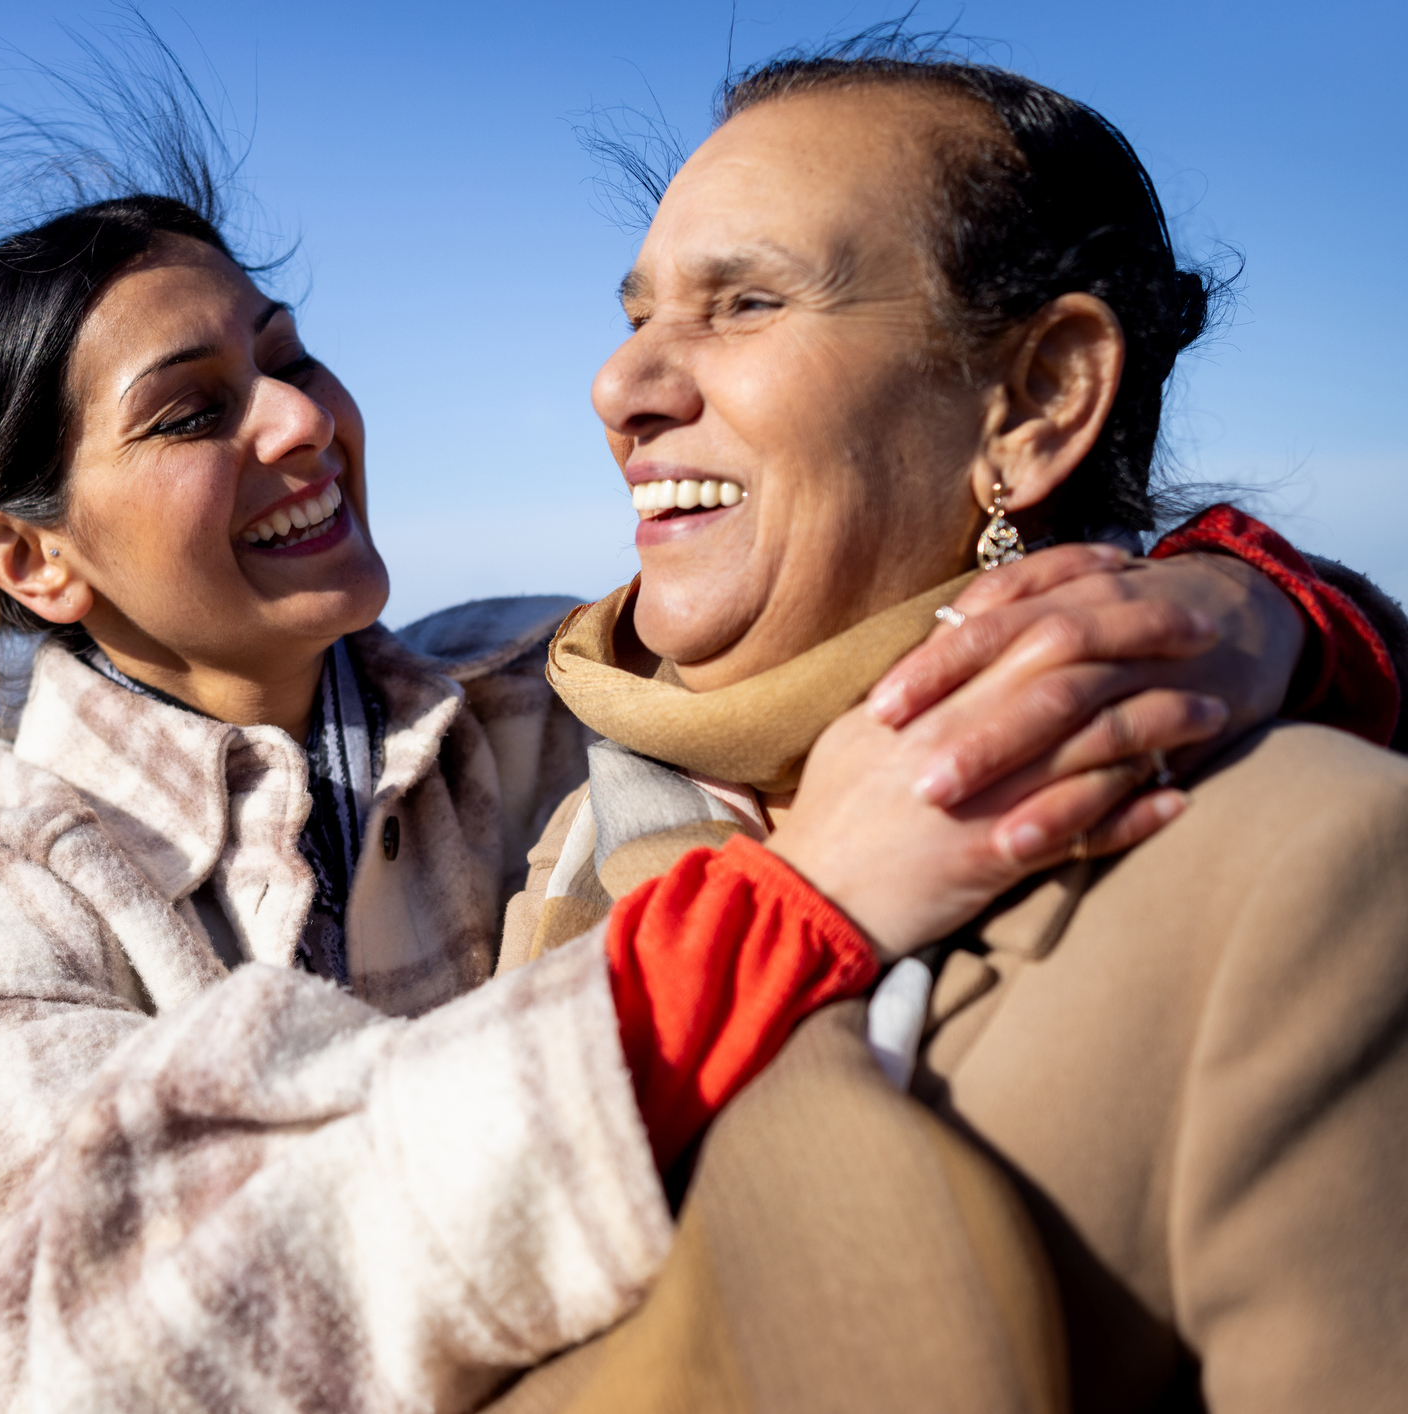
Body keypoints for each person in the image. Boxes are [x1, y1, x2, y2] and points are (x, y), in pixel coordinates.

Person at [0, 93, 1397, 1414]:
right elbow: (74, 1342)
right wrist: (784, 924)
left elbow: (863, 629)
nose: (302, 424)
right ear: (34, 565)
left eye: (291, 359)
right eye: (192, 415)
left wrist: (1257, 603)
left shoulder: (531, 690)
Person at [495, 45, 1408, 1413]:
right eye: (638, 316)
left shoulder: (1308, 868)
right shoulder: (584, 829)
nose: (620, 386)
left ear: (1037, 403)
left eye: (745, 302)